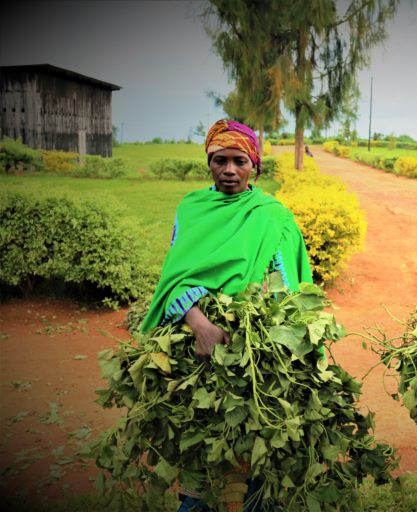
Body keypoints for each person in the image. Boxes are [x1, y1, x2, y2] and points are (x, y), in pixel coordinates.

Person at [140, 119, 312, 511]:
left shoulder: (272, 216)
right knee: (202, 453)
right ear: (209, 163)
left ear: (256, 167)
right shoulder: (192, 209)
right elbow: (175, 279)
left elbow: (287, 289)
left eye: (240, 161)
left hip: (259, 359)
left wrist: (255, 330)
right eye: (220, 161)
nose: (230, 170)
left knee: (257, 458)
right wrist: (199, 323)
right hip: (195, 359)